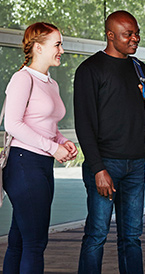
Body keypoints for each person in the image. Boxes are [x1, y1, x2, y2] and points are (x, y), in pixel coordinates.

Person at [74, 10, 145, 274]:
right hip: (105, 164)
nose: (135, 38)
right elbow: (84, 125)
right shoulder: (90, 70)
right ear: (111, 36)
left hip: (135, 164)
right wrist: (98, 169)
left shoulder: (138, 67)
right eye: (128, 34)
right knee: (96, 235)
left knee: (132, 238)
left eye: (136, 33)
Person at [2, 22, 78, 274]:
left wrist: (61, 142)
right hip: (24, 164)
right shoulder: (22, 79)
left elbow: (46, 125)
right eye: (57, 44)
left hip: (41, 165)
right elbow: (12, 123)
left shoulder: (51, 83)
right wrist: (52, 147)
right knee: (35, 243)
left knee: (20, 240)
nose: (61, 50)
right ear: (38, 47)